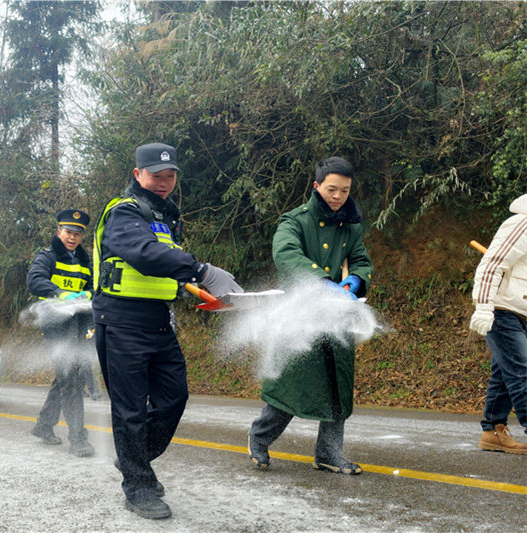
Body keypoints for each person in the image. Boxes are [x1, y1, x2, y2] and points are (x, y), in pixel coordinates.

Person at [93, 142, 243, 519]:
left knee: (174, 398)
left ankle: (134, 457)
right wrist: (202, 270)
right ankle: (138, 485)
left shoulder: (166, 216)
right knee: (129, 410)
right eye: (156, 176)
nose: (164, 182)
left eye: (170, 175)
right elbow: (144, 253)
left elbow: (163, 270)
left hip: (159, 320)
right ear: (137, 175)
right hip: (121, 320)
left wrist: (200, 291)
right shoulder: (123, 213)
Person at [248, 156, 373, 475]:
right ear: (317, 186)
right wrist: (321, 283)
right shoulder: (294, 220)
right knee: (292, 386)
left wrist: (355, 279)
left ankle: (329, 453)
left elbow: (360, 259)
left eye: (344, 190)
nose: (338, 196)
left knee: (337, 386)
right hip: (299, 316)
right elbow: (286, 254)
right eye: (332, 189)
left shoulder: (351, 223)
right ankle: (259, 437)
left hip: (337, 314)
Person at [27, 209, 96, 458]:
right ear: (59, 232)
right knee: (71, 377)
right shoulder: (47, 256)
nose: (72, 237)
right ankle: (78, 439)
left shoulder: (84, 260)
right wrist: (59, 294)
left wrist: (89, 294)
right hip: (55, 325)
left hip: (77, 324)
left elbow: (90, 286)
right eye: (68, 232)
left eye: (77, 234)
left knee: (66, 376)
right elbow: (34, 280)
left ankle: (44, 425)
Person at [469, 193, 527, 454]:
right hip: (503, 309)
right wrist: (483, 307)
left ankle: (493, 430)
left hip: (522, 310)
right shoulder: (522, 223)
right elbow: (491, 265)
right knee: (522, 371)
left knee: (506, 374)